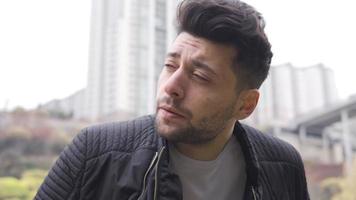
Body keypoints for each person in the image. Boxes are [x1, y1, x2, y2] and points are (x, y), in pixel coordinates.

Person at [35, 0, 309, 199]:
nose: (172, 86)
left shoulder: (283, 166)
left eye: (200, 76)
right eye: (170, 65)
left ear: (245, 105)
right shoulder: (95, 154)